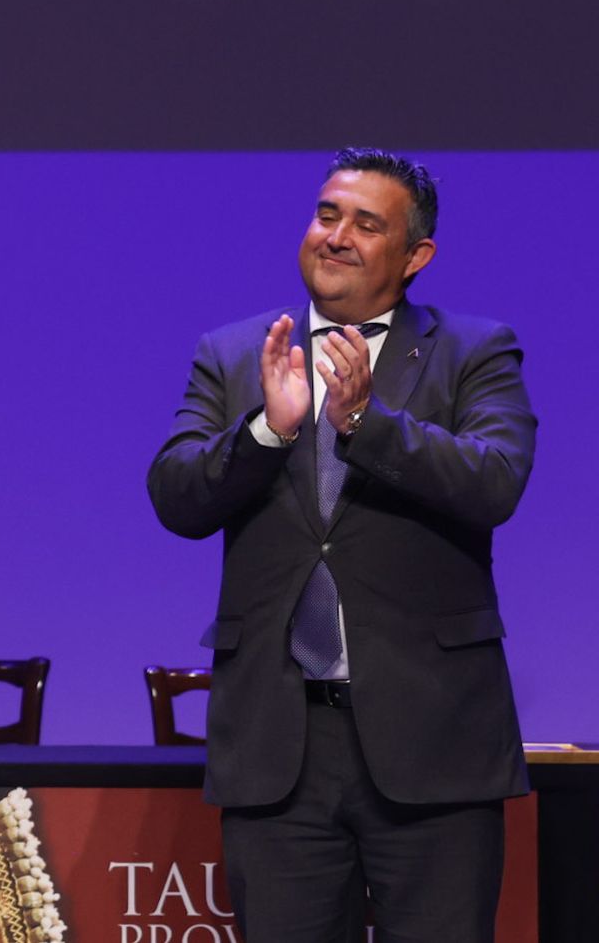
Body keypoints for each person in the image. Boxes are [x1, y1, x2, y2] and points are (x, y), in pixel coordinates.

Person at [147, 148, 536, 941]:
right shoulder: (234, 354)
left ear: (416, 255)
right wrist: (266, 428)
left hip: (433, 744)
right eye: (327, 215)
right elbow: (177, 495)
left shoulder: (476, 350)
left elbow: (495, 481)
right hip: (279, 748)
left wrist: (367, 422)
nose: (337, 236)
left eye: (366, 223)